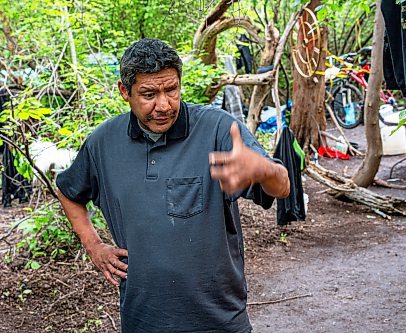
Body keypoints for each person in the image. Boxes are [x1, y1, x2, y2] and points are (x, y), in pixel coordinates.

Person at [56, 38, 290, 333]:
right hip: (142, 319)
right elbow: (68, 191)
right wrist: (94, 246)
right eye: (149, 94)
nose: (164, 105)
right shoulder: (103, 143)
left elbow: (282, 187)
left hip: (219, 320)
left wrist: (264, 168)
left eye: (172, 90)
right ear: (124, 92)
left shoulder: (217, 129)